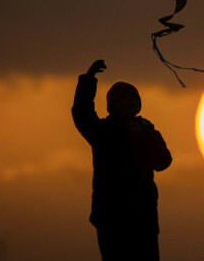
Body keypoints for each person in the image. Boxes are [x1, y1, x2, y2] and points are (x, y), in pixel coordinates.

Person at [72, 60, 172, 261]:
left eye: (133, 98)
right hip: (111, 220)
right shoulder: (103, 132)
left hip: (143, 221)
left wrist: (142, 139)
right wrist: (89, 79)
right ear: (112, 105)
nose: (130, 102)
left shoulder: (148, 131)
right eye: (123, 98)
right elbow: (82, 114)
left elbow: (163, 162)